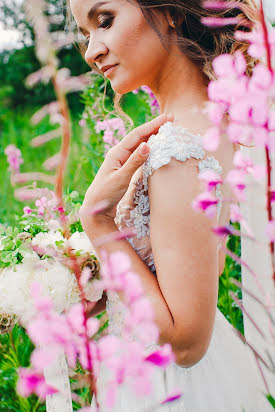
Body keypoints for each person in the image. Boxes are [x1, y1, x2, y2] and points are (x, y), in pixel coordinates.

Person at [68, 0, 272, 410]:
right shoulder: (202, 126)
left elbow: (185, 340)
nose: (92, 52)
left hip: (169, 387)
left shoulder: (177, 150)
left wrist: (99, 226)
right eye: (86, 35)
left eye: (104, 21)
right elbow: (202, 269)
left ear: (169, 11)